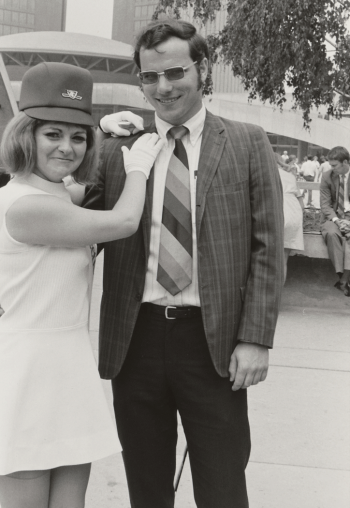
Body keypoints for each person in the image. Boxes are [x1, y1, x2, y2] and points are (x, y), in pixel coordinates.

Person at [85, 19, 284, 508]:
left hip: (212, 344)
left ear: (203, 68)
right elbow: (77, 218)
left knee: (222, 488)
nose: (163, 87)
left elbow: (267, 247)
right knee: (147, 489)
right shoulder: (118, 149)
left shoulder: (247, 142)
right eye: (150, 77)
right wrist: (94, 136)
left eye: (175, 73)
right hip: (135, 340)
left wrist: (256, 339)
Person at [0, 62, 163, 508]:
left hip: (68, 365)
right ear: (25, 136)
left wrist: (106, 134)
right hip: (28, 373)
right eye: (52, 134)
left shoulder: (55, 193)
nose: (67, 148)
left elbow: (77, 188)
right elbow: (123, 221)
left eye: (77, 136)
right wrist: (139, 169)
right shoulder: (24, 205)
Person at [320, 146, 350, 295]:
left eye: (334, 165)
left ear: (345, 162)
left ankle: (343, 281)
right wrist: (338, 221)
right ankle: (342, 275)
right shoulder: (327, 176)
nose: (331, 168)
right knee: (331, 234)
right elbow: (325, 205)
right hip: (334, 218)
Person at [275, 154, 304, 282]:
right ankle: (279, 294)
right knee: (283, 259)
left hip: (278, 211)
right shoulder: (290, 176)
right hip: (294, 212)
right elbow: (301, 203)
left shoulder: (267, 174)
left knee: (269, 259)